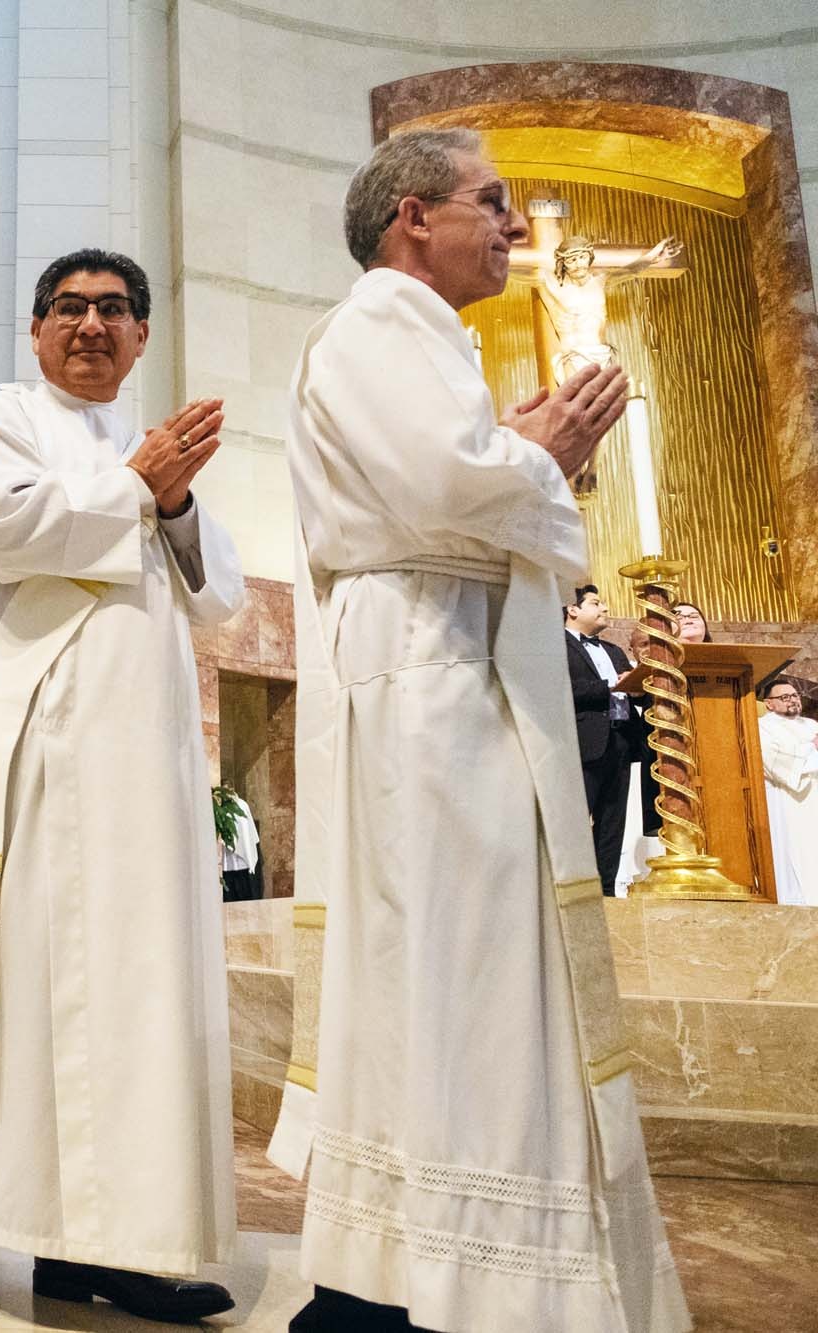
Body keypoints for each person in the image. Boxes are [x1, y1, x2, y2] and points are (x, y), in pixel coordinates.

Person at [270, 126, 687, 1331]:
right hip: (430, 677)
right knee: (458, 971)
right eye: (489, 201)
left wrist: (522, 456)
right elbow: (443, 487)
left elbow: (454, 482)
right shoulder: (378, 322)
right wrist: (537, 453)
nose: (510, 226)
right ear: (412, 214)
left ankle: (416, 1273)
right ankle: (423, 1282)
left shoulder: (419, 333)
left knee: (460, 976)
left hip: (448, 659)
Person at [0, 248, 245, 1324]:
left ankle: (92, 1240)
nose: (90, 325)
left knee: (126, 992)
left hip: (138, 771)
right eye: (69, 308)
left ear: (142, 336)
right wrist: (137, 486)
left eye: (113, 310)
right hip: (29, 749)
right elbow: (7, 532)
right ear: (36, 331)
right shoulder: (1, 418)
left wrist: (171, 503)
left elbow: (220, 597)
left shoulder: (145, 447)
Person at [566, 585, 637, 896]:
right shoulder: (557, 645)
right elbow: (563, 687)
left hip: (621, 738)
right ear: (573, 609)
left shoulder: (614, 650)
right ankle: (571, 888)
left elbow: (631, 688)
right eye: (595, 603)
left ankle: (606, 889)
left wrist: (638, 686)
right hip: (583, 741)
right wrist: (609, 685)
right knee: (576, 817)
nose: (604, 608)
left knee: (613, 821)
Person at [759, 677, 817, 907]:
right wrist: (811, 747)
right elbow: (776, 762)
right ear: (769, 703)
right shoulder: (763, 727)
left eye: (794, 695)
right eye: (784, 697)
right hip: (789, 799)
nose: (792, 700)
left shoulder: (812, 725)